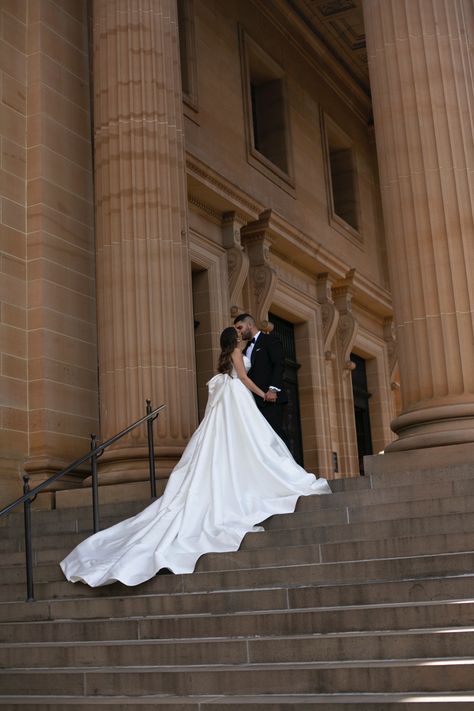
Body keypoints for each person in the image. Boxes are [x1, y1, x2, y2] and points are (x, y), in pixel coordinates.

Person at [60, 326, 331, 588]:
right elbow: (245, 379)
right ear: (233, 341)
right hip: (239, 397)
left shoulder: (229, 356)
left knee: (238, 440)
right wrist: (263, 394)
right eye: (238, 334)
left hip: (231, 400)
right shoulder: (237, 355)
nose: (241, 336)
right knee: (250, 440)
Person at [233, 312, 287, 441]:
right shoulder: (244, 350)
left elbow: (278, 364)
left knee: (276, 437)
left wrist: (273, 389)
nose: (239, 332)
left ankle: (288, 461)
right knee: (261, 440)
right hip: (254, 401)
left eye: (240, 328)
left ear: (250, 325)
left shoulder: (270, 340)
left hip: (271, 399)